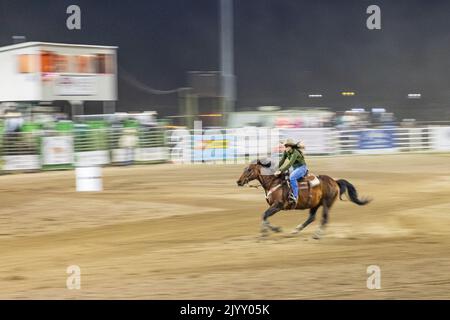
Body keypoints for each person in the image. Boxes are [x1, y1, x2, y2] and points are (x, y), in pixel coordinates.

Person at [274, 138, 308, 205]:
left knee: (292, 177)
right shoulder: (286, 152)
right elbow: (282, 161)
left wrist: (280, 170)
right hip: (295, 168)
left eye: (286, 146)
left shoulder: (295, 153)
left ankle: (295, 196)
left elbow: (289, 164)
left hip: (302, 168)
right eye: (285, 146)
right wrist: (274, 168)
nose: (285, 147)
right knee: (284, 175)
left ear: (290, 146)